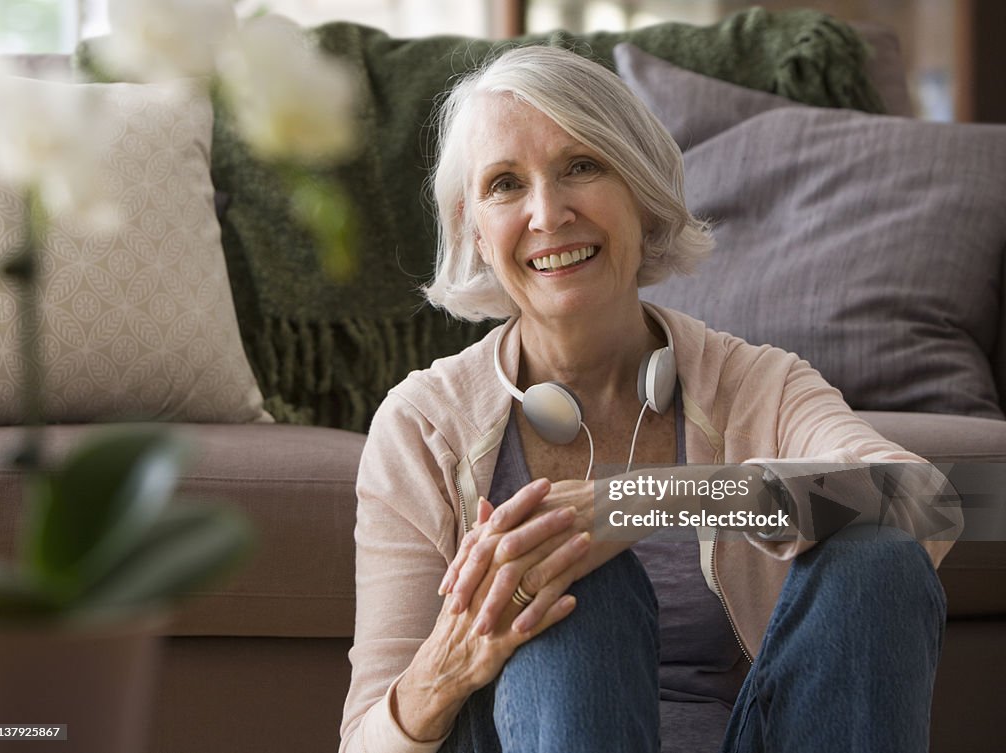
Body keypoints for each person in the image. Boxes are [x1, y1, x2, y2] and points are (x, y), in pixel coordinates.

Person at [339, 45, 958, 753]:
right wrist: (444, 672)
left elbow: (930, 500)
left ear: (639, 189)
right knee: (567, 573)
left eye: (581, 165)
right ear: (475, 229)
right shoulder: (423, 424)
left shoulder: (755, 384)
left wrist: (637, 502)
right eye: (506, 184)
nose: (548, 213)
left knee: (877, 549)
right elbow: (363, 742)